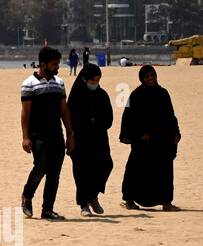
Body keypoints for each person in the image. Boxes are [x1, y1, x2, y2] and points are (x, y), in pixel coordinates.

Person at [19, 46, 74, 221]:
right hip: (37, 135)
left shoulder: (59, 83)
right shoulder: (29, 84)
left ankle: (47, 209)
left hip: (56, 134)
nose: (57, 67)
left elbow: (64, 110)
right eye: (54, 64)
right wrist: (25, 137)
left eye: (57, 63)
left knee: (54, 173)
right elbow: (25, 113)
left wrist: (70, 134)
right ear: (43, 64)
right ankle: (27, 195)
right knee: (41, 167)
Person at [119, 65, 181, 211]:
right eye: (147, 77)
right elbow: (129, 118)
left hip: (162, 139)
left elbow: (170, 115)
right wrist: (140, 134)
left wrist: (176, 132)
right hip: (143, 142)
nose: (151, 79)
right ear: (142, 79)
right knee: (136, 170)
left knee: (164, 170)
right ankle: (129, 200)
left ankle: (166, 202)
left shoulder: (163, 93)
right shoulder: (136, 95)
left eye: (152, 76)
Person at [68, 63, 113, 216]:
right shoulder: (75, 97)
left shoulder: (102, 95)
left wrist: (96, 121)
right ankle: (84, 204)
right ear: (84, 79)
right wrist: (71, 135)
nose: (95, 83)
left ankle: (93, 196)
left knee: (106, 165)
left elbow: (109, 119)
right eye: (92, 80)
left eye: (97, 80)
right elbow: (70, 119)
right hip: (80, 140)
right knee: (82, 171)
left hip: (99, 139)